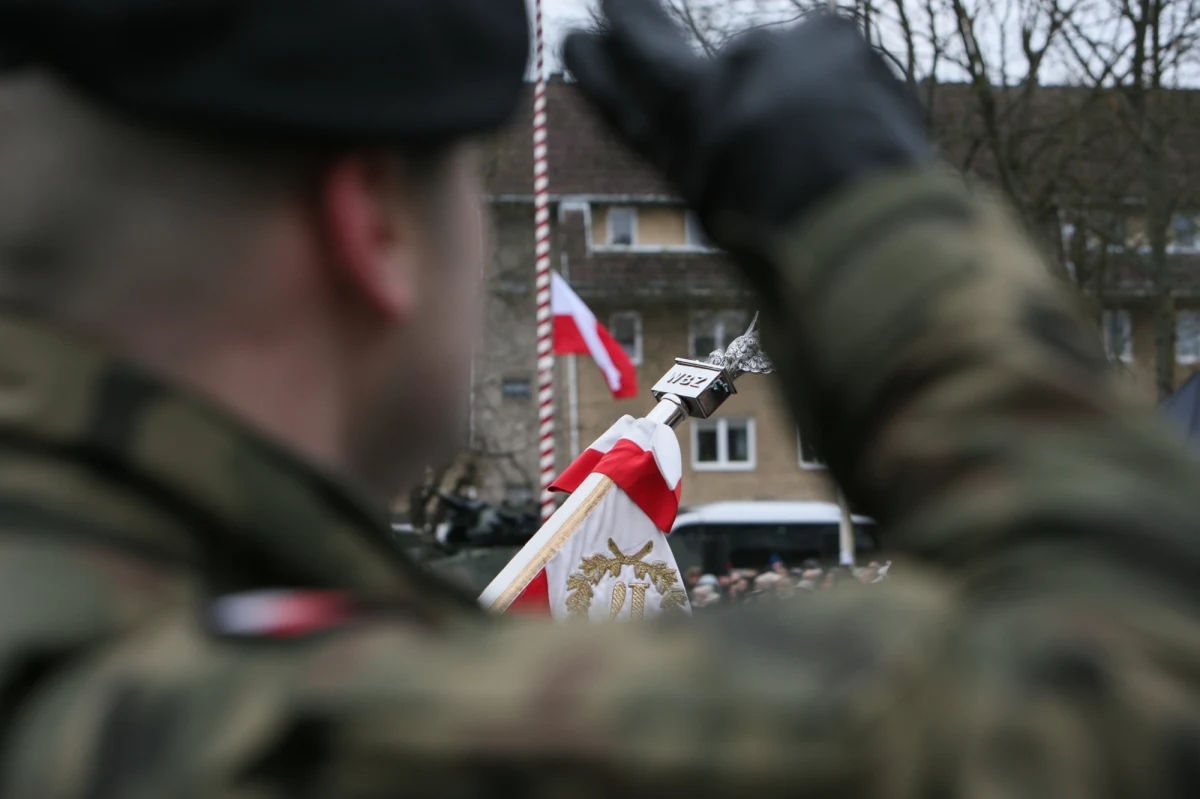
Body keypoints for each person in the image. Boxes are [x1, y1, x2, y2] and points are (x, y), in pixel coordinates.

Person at [0, 0, 1197, 796]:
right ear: (374, 226)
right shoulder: (247, 733)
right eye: (462, 191)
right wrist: (879, 231)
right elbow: (1141, 680)